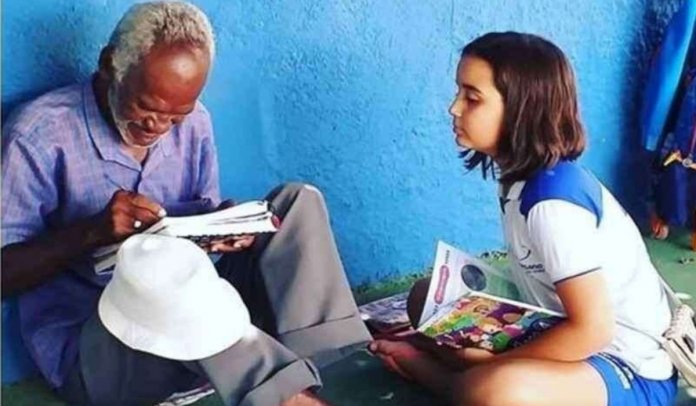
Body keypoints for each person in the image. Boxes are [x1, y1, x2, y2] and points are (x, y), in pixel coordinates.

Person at [1, 2, 370, 405]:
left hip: (197, 333)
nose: (157, 127)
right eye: (145, 107)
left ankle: (317, 374)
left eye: (175, 116)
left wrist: (225, 229)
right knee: (158, 264)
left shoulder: (194, 123)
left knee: (295, 203)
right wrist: (90, 232)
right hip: (103, 347)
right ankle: (287, 398)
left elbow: (201, 227)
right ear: (109, 66)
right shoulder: (37, 135)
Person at [369, 32, 678, 406]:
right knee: (426, 297)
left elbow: (594, 330)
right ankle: (464, 367)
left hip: (625, 364)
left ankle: (448, 380)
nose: (454, 108)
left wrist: (499, 361)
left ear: (521, 110)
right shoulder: (520, 176)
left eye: (472, 98)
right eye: (458, 93)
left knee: (496, 392)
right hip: (557, 327)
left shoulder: (553, 203)